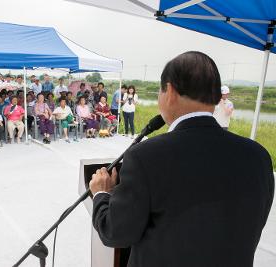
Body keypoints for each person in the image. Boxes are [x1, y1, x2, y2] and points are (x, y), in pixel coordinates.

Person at [89, 51, 274, 267]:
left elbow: (116, 233)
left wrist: (101, 193)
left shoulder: (145, 157)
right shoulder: (259, 156)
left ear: (170, 91)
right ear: (215, 97)